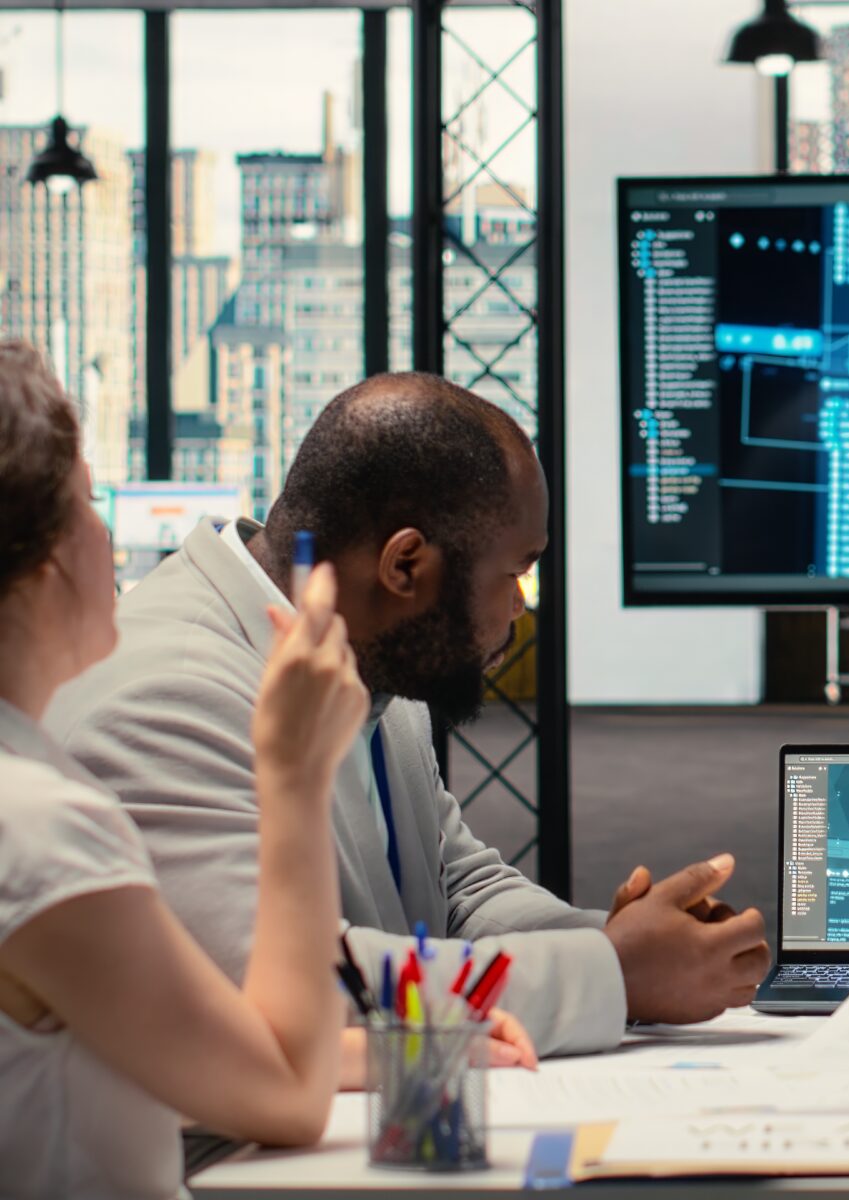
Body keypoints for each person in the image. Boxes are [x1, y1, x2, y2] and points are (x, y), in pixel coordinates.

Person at [46, 372, 770, 1060]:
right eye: (515, 572)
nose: (522, 605)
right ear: (405, 567)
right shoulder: (164, 699)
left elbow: (454, 893)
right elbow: (299, 994)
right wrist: (613, 972)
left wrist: (631, 941)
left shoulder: (365, 657)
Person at [0, 340, 370, 1197]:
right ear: (45, 560)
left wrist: (377, 1056)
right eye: (88, 504)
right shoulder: (41, 827)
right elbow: (285, 1094)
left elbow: (167, 1035)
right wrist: (293, 776)